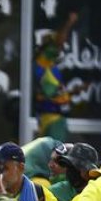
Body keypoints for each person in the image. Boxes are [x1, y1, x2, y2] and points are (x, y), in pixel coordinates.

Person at [33, 12, 78, 140]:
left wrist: (75, 91)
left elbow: (57, 93)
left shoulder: (51, 65)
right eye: (55, 45)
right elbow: (59, 41)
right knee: (56, 154)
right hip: (50, 118)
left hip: (53, 116)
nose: (60, 48)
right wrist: (69, 23)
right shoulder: (42, 64)